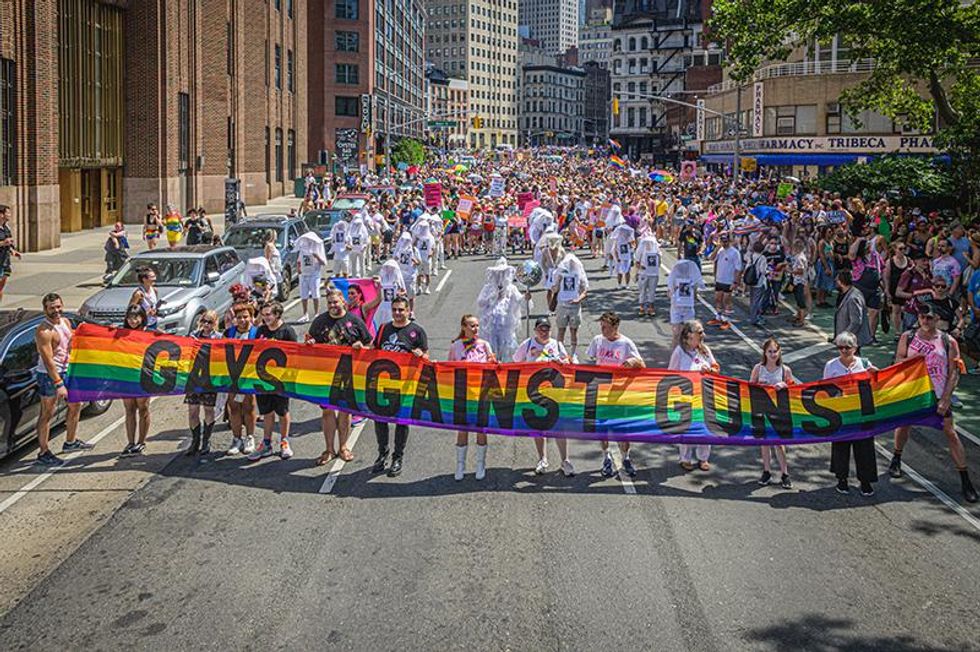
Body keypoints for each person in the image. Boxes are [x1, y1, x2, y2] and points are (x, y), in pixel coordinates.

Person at [887, 302, 978, 503]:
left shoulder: (948, 341)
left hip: (936, 395)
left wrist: (946, 398)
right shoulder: (908, 337)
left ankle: (965, 480)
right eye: (922, 317)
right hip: (913, 393)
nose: (925, 321)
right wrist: (914, 360)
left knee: (951, 433)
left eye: (929, 318)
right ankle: (896, 458)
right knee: (903, 427)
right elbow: (897, 362)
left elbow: (954, 372)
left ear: (937, 319)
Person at [307, 289, 373, 466]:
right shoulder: (320, 321)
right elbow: (308, 342)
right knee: (327, 411)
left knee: (345, 411)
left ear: (343, 301)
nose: (333, 306)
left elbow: (370, 345)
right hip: (326, 374)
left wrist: (362, 347)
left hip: (349, 374)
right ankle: (329, 449)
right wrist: (311, 344)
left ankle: (343, 447)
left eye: (335, 302)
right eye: (329, 303)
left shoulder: (354, 321)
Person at [33, 293, 94, 466]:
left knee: (76, 405)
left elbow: (72, 339)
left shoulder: (65, 322)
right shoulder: (44, 332)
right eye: (52, 308)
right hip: (49, 376)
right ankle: (43, 452)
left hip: (69, 370)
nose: (56, 311)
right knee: (47, 413)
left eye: (58, 307)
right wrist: (59, 384)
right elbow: (48, 360)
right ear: (45, 309)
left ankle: (70, 441)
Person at [371, 297, 428, 476]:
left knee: (401, 421)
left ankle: (398, 457)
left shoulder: (416, 331)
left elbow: (426, 357)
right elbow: (374, 350)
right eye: (394, 310)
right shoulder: (384, 329)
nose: (397, 313)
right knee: (380, 419)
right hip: (384, 384)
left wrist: (421, 355)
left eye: (401, 310)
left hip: (405, 385)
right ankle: (382, 453)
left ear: (408, 310)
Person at [513, 317, 574, 476]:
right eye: (541, 328)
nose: (544, 331)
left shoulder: (557, 345)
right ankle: (542, 458)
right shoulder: (527, 344)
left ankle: (565, 461)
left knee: (559, 428)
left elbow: (568, 363)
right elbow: (515, 362)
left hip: (555, 393)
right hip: (534, 393)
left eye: (547, 328)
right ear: (535, 330)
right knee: (539, 427)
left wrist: (561, 362)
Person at [586, 312, 644, 478]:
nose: (602, 329)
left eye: (606, 327)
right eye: (601, 326)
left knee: (621, 428)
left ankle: (625, 458)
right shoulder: (597, 340)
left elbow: (642, 364)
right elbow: (590, 363)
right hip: (601, 391)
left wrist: (633, 362)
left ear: (615, 327)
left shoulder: (626, 343)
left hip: (620, 393)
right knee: (603, 427)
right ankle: (606, 458)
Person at [824, 332, 877, 496]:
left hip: (862, 412)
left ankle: (865, 481)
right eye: (840, 347)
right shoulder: (831, 365)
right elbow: (825, 389)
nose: (844, 351)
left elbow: (879, 384)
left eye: (847, 347)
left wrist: (876, 373)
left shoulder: (865, 364)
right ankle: (842, 479)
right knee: (841, 445)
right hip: (841, 413)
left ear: (855, 348)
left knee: (865, 446)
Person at [448, 315, 497, 480]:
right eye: (472, 326)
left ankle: (480, 463)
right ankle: (460, 464)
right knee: (463, 429)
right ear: (464, 327)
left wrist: (493, 362)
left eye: (477, 326)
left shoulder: (484, 345)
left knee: (480, 429)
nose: (475, 329)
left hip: (481, 393)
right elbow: (448, 369)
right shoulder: (456, 346)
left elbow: (493, 366)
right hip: (463, 393)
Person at [249, 302, 297, 461]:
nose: (265, 317)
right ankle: (266, 443)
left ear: (277, 314)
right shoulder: (261, 330)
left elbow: (296, 354)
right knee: (266, 411)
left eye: (268, 314)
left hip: (281, 379)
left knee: (282, 411)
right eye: (263, 314)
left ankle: (284, 441)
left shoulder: (287, 331)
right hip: (263, 378)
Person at [669, 320, 719, 471]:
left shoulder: (705, 350)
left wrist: (710, 371)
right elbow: (670, 374)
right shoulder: (679, 352)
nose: (703, 335)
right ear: (689, 336)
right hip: (686, 396)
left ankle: (703, 458)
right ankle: (685, 457)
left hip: (704, 395)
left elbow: (716, 368)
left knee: (704, 426)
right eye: (699, 332)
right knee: (687, 427)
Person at [749, 338, 794, 488]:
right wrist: (758, 386)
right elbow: (749, 386)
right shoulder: (758, 368)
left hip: (778, 411)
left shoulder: (785, 370)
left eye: (775, 351)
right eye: (770, 351)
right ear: (765, 353)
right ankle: (766, 471)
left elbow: (793, 389)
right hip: (762, 409)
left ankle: (784, 473)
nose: (773, 354)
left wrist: (785, 385)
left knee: (779, 444)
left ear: (780, 351)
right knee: (764, 443)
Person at [184, 310, 221, 456]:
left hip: (209, 380)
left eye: (210, 322)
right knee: (193, 410)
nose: (206, 324)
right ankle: (195, 441)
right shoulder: (193, 336)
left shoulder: (218, 338)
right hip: (194, 379)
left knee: (208, 410)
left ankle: (206, 440)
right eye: (204, 321)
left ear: (215, 323)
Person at [476, 257, 526, 363]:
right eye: (499, 274)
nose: (501, 277)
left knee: (506, 352)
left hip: (506, 328)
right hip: (490, 328)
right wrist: (492, 296)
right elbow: (480, 302)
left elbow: (520, 301)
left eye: (503, 274)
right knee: (491, 350)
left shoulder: (511, 289)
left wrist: (526, 298)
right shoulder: (488, 288)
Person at [224, 303, 258, 455]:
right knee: (234, 408)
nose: (243, 320)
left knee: (249, 407)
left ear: (251, 317)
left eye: (245, 317)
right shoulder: (229, 332)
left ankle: (250, 437)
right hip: (232, 376)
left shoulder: (257, 333)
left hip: (249, 376)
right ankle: (237, 439)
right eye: (239, 317)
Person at [119, 306, 152, 456]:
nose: (133, 321)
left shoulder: (149, 333)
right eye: (130, 317)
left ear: (142, 318)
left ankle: (141, 442)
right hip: (126, 376)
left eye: (136, 317)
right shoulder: (120, 334)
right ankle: (130, 442)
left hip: (143, 376)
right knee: (129, 410)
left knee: (143, 408)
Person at [552, 252, 588, 355]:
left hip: (574, 305)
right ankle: (560, 353)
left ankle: (573, 353)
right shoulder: (559, 273)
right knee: (561, 330)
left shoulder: (579, 274)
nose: (571, 265)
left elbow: (585, 290)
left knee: (574, 331)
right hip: (562, 304)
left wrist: (578, 299)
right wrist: (558, 282)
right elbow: (554, 289)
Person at [667, 250, 704, 349]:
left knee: (690, 333)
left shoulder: (692, 280)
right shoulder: (674, 279)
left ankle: (688, 353)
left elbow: (695, 293)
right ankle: (675, 356)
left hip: (688, 307)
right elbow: (669, 292)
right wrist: (673, 292)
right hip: (676, 307)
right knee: (676, 333)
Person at [833, 271, 872, 353]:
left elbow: (856, 322)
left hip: (852, 340)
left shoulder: (853, 298)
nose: (835, 282)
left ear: (841, 282)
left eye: (836, 280)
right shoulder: (849, 293)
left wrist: (843, 337)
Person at [708, 232, 740, 328]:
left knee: (726, 300)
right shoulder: (720, 250)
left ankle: (726, 320)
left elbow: (738, 268)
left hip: (728, 280)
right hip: (719, 279)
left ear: (729, 241)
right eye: (723, 241)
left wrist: (735, 282)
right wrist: (717, 248)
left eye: (726, 241)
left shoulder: (735, 252)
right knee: (718, 298)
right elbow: (711, 258)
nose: (724, 243)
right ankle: (718, 317)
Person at [296, 235, 326, 323]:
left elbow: (323, 262)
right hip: (304, 275)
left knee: (315, 293)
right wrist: (299, 269)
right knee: (303, 294)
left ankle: (316, 313)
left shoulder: (317, 250)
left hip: (314, 274)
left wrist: (317, 257)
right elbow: (299, 261)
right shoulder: (302, 250)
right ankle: (305, 314)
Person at [634, 231, 661, 316]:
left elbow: (659, 261)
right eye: (647, 242)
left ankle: (651, 307)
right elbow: (637, 262)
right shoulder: (641, 249)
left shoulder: (656, 250)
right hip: (643, 273)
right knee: (642, 291)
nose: (648, 244)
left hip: (653, 274)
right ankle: (641, 307)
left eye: (650, 242)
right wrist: (641, 267)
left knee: (652, 291)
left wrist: (656, 265)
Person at [744, 240, 769, 327]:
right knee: (757, 300)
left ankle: (752, 316)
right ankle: (755, 318)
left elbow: (747, 265)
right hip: (759, 282)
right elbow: (763, 270)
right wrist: (768, 272)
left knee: (752, 299)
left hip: (751, 281)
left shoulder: (751, 256)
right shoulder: (762, 258)